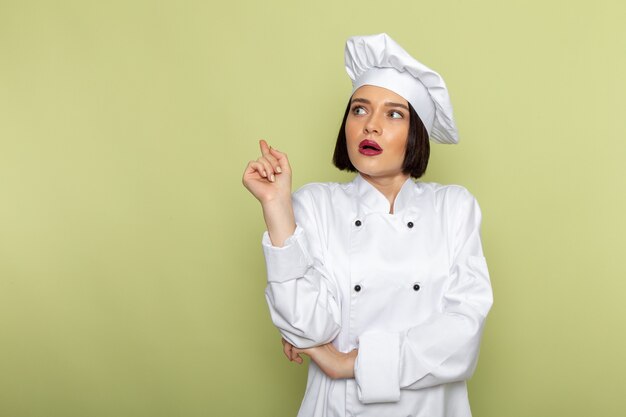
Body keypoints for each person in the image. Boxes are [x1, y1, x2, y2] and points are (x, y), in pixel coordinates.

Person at [242, 33, 493, 417]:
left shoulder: (454, 208)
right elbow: (308, 327)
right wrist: (276, 207)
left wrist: (349, 363)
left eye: (394, 114)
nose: (370, 126)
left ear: (416, 134)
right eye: (359, 110)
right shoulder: (315, 204)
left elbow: (462, 332)